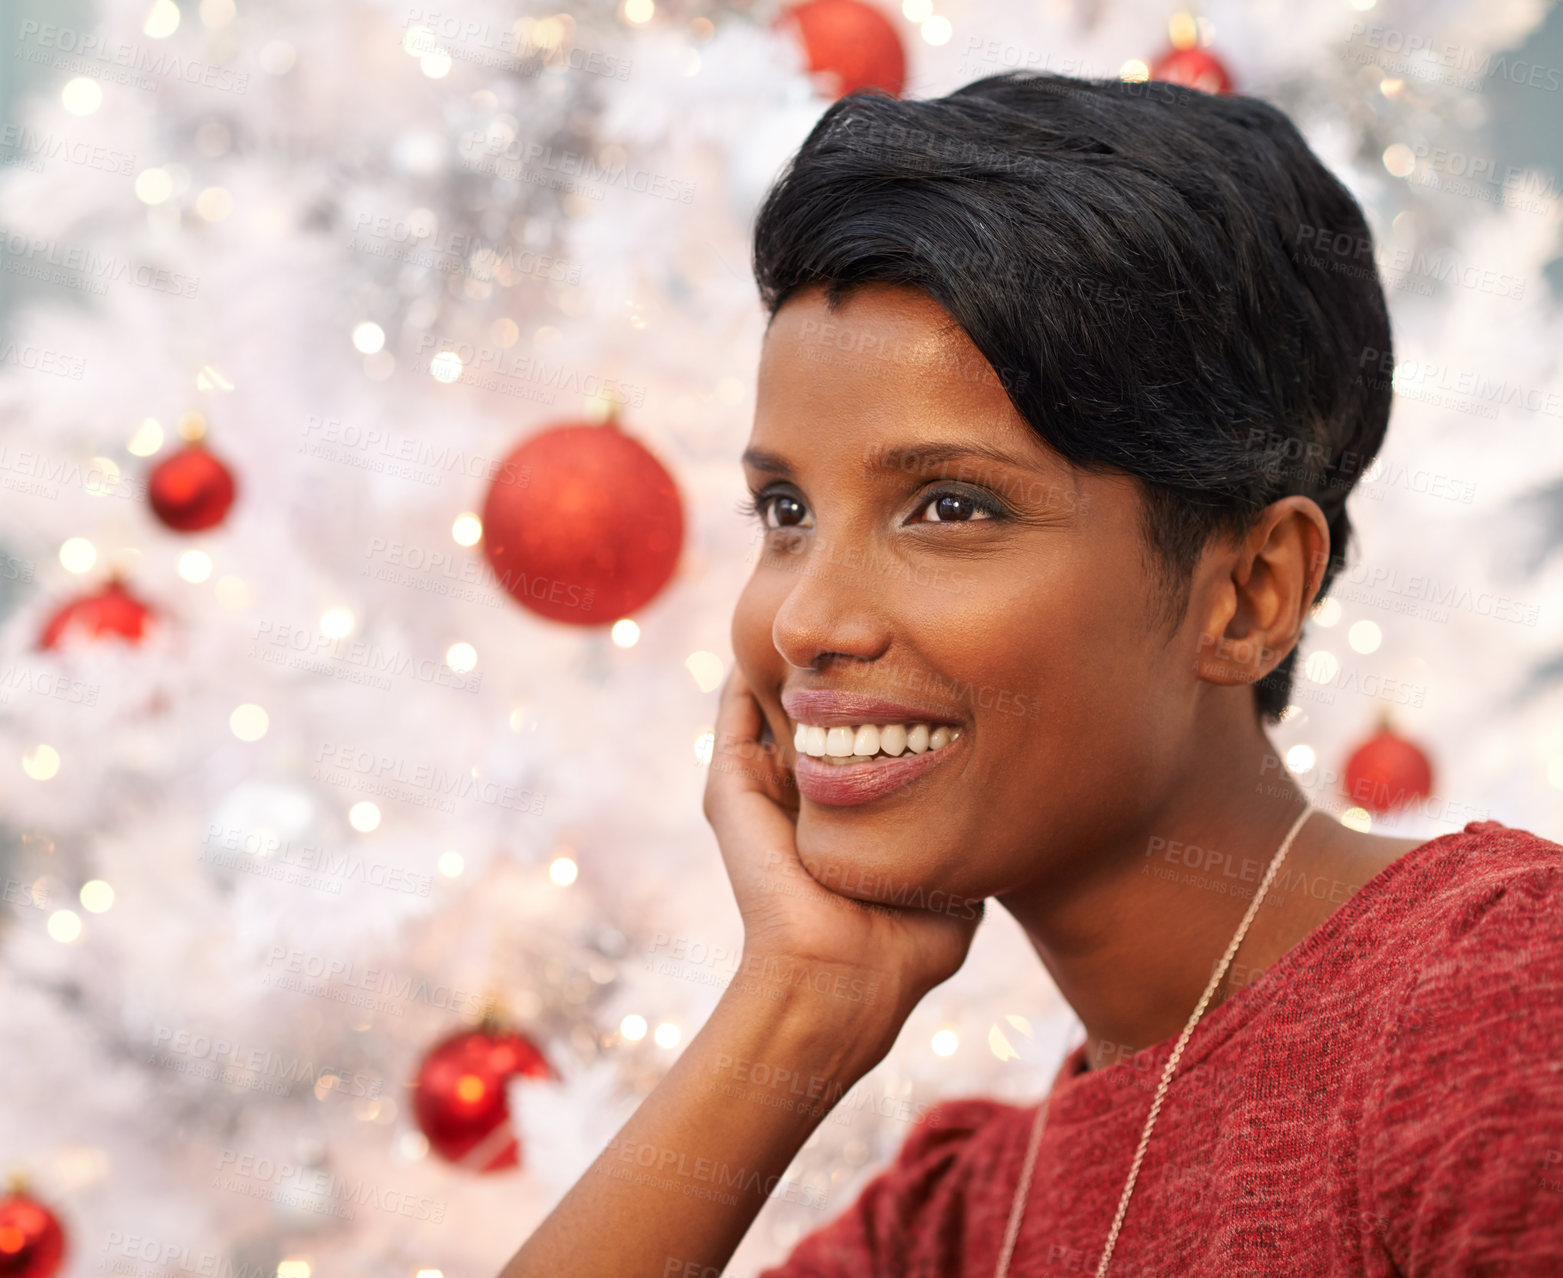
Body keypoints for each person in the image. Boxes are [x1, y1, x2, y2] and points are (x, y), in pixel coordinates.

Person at [500, 71, 1563, 1277]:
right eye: (785, 509)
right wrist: (797, 1004)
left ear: (1249, 592)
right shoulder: (959, 1221)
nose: (804, 619)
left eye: (947, 505)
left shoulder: (1502, 999)